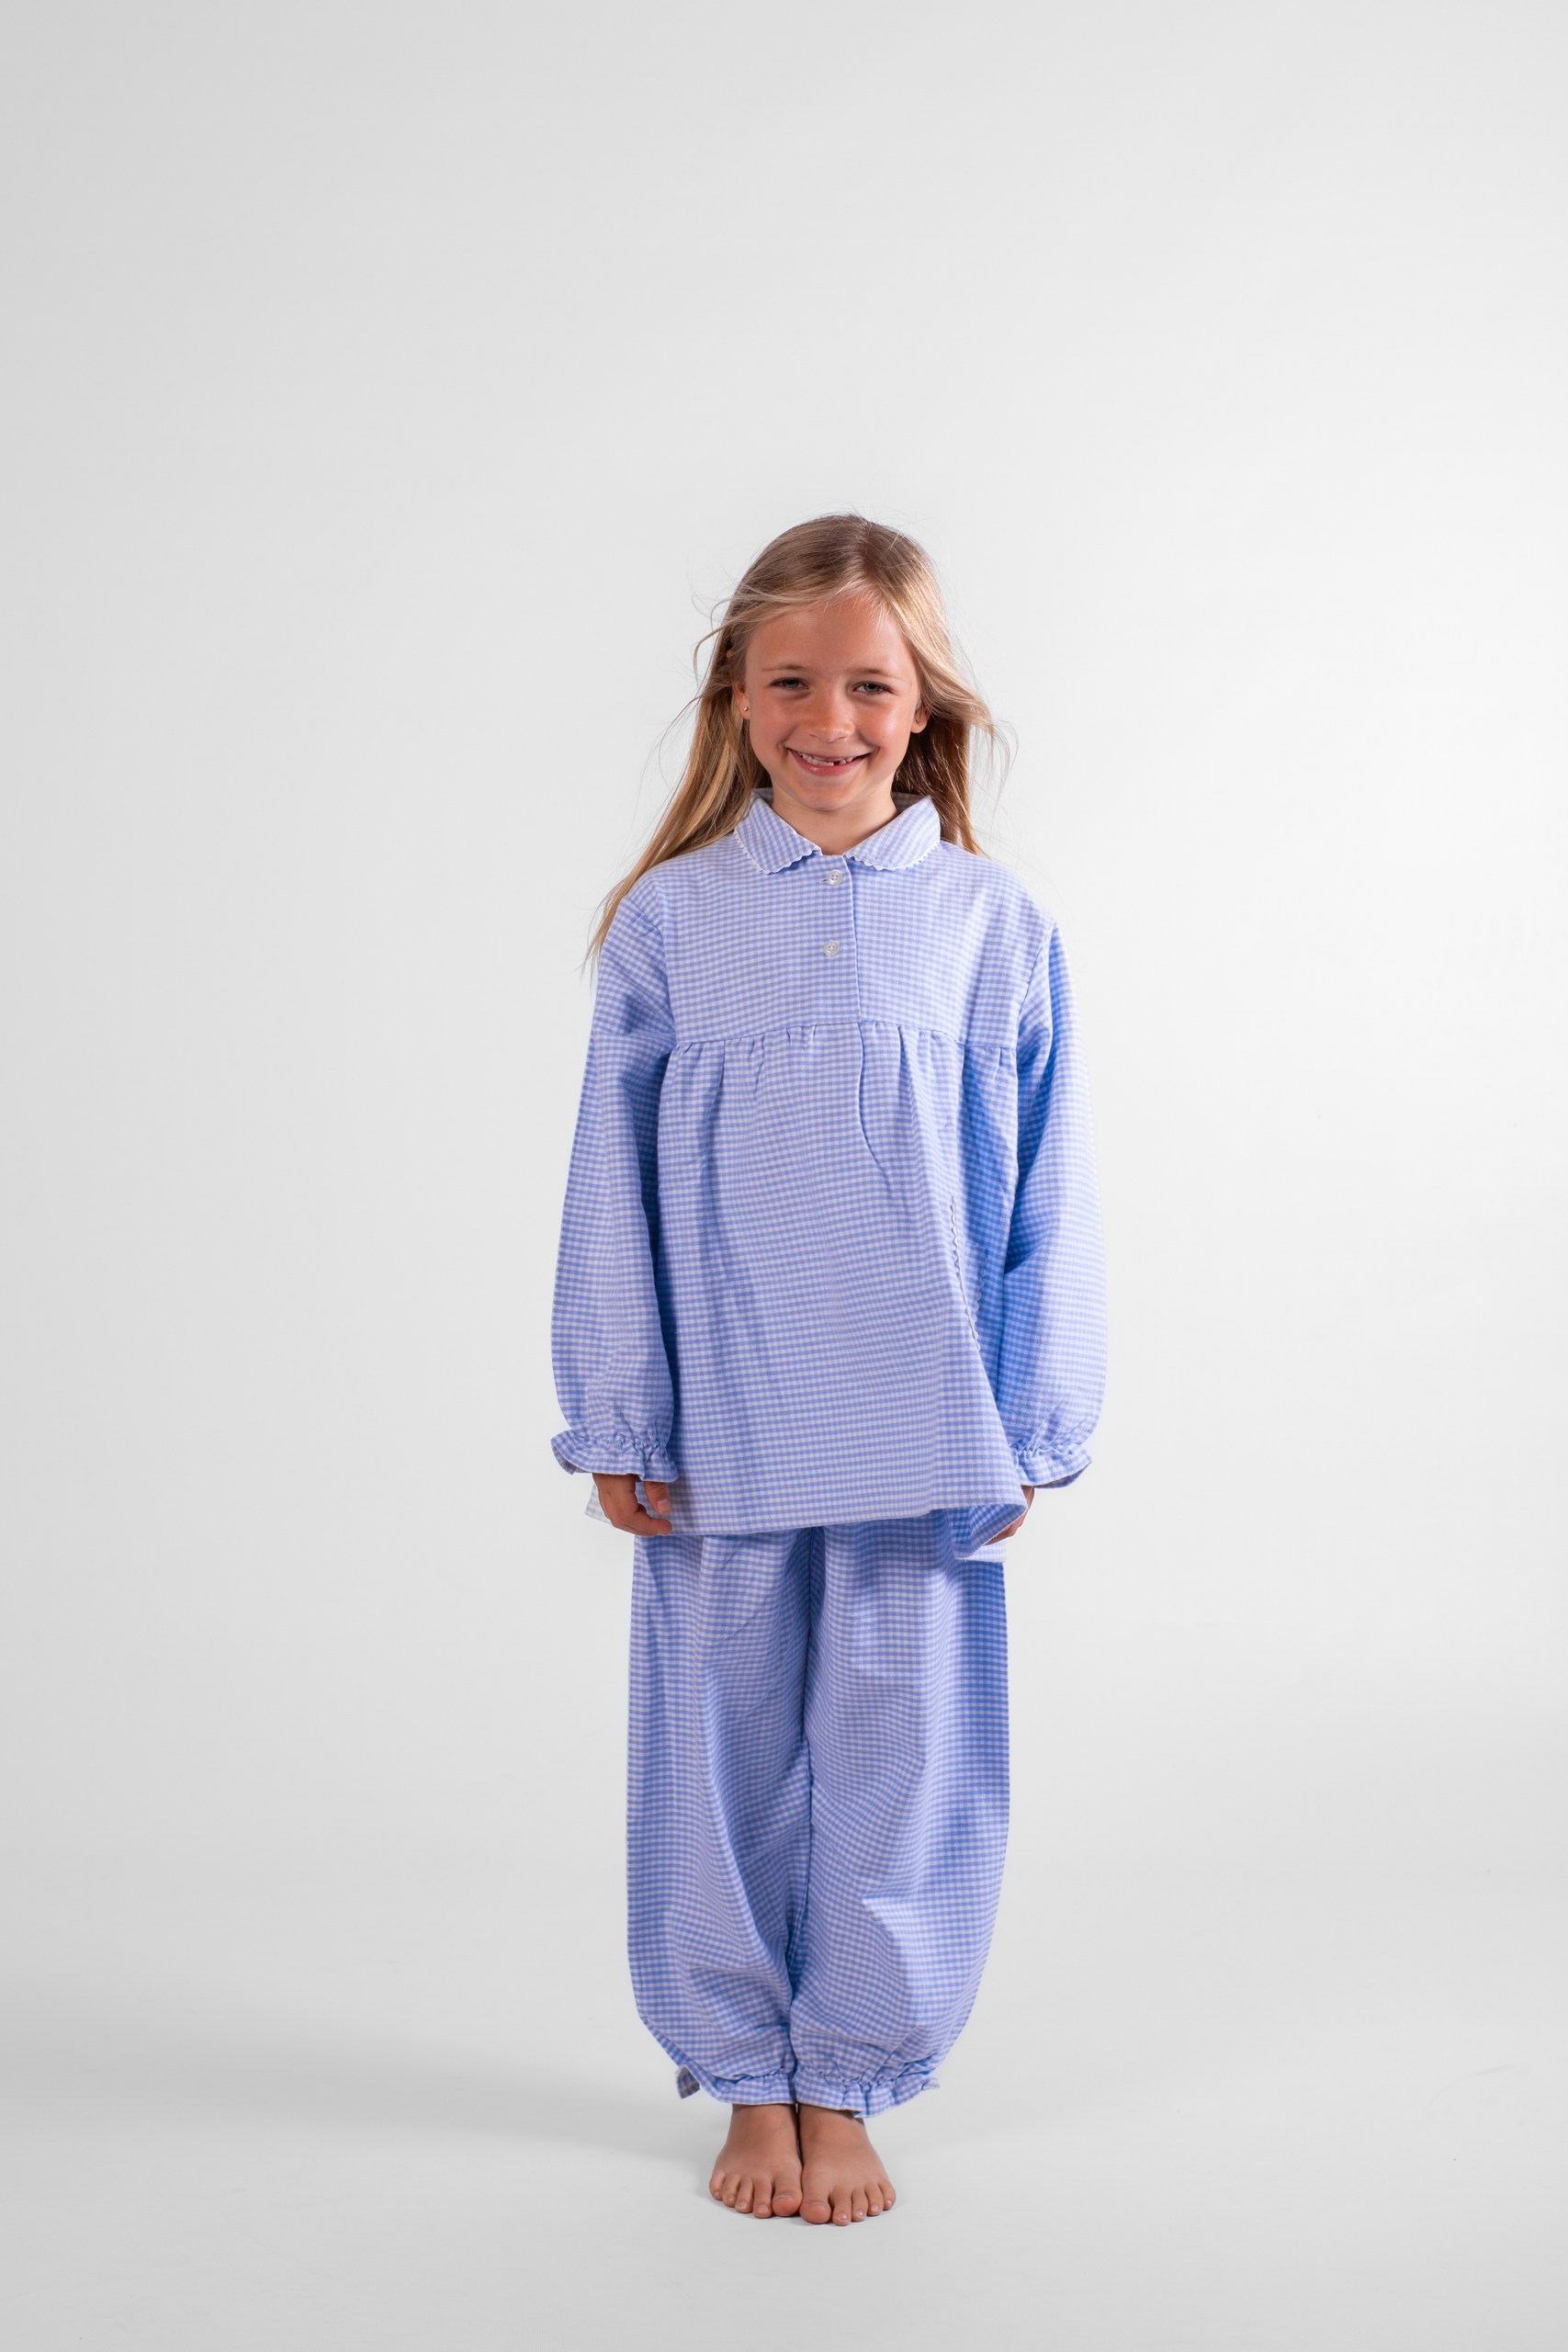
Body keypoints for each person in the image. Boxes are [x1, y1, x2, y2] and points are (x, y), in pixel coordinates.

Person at [548, 514, 1107, 2225]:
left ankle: (849, 2069)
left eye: (869, 685)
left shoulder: (991, 923)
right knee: (715, 1753)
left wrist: (1034, 1420)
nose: (830, 719)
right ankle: (746, 2067)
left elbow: (1051, 1184)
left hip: (924, 1419)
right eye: (790, 681)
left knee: (900, 1755)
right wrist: (619, 1408)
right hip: (721, 1419)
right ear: (738, 693)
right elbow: (608, 1179)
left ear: (924, 702)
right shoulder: (671, 920)